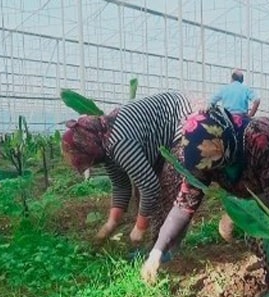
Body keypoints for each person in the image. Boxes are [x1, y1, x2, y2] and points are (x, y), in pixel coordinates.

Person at [140, 105, 269, 291]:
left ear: (224, 145)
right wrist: (157, 252)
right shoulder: (206, 157)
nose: (209, 172)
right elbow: (184, 205)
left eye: (214, 165)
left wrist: (235, 215)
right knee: (252, 237)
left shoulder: (261, 139)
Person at [62, 91, 192, 246]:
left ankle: (167, 251)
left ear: (88, 147)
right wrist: (109, 225)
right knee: (148, 194)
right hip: (159, 138)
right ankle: (156, 245)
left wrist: (139, 228)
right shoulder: (103, 141)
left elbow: (150, 187)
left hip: (181, 122)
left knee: (169, 189)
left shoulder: (119, 144)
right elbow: (120, 186)